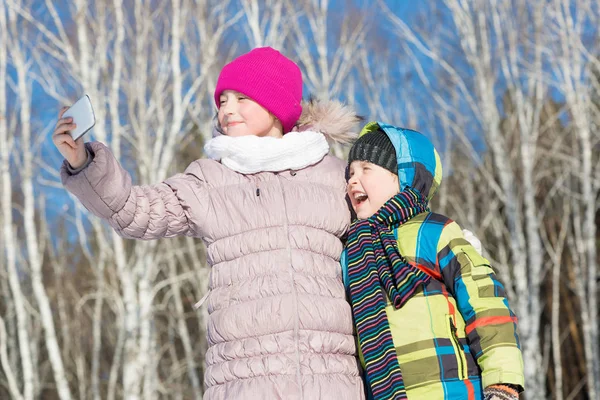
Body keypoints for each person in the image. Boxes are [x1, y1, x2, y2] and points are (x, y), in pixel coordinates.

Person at [52, 47, 365, 399]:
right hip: (243, 383)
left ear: (276, 104)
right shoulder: (210, 179)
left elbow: (389, 230)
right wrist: (84, 163)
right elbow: (135, 211)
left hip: (331, 380)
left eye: (241, 98)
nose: (227, 108)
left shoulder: (334, 175)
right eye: (223, 100)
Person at [342, 121, 525, 400]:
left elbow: (484, 301)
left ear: (404, 176)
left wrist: (502, 380)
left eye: (366, 168)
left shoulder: (433, 232)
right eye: (351, 172)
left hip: (453, 390)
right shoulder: (352, 253)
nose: (353, 180)